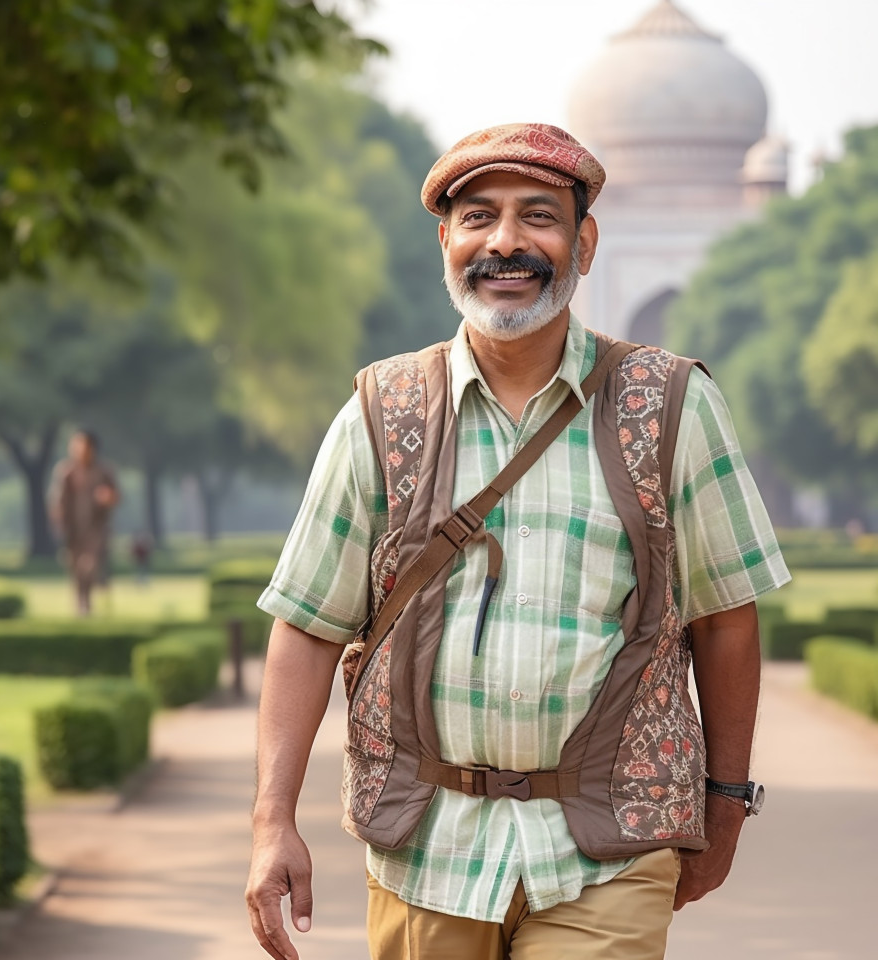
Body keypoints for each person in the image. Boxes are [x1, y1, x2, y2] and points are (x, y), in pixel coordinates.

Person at [246, 123, 790, 960]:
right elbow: (309, 622)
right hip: (425, 844)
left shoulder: (667, 402)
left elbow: (724, 617)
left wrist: (724, 804)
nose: (505, 242)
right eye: (478, 218)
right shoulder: (383, 411)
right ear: (446, 243)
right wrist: (271, 821)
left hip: (608, 844)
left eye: (538, 215)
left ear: (586, 241)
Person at [49, 429, 120, 617]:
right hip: (73, 530)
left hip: (96, 529)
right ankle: (82, 605)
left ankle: (88, 601)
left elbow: (116, 496)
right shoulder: (67, 472)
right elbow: (57, 501)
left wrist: (108, 498)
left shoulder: (104, 471)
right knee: (76, 569)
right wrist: (58, 521)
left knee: (89, 566)